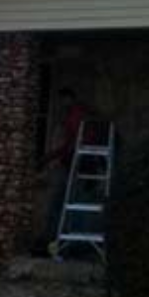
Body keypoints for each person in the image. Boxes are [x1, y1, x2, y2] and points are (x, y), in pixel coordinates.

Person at [37, 87, 86, 255]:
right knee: (59, 203)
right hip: (69, 162)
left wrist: (52, 156)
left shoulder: (75, 116)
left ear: (69, 99)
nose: (61, 104)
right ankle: (54, 241)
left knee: (63, 203)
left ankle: (62, 243)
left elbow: (73, 143)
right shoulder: (70, 117)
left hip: (75, 163)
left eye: (64, 100)